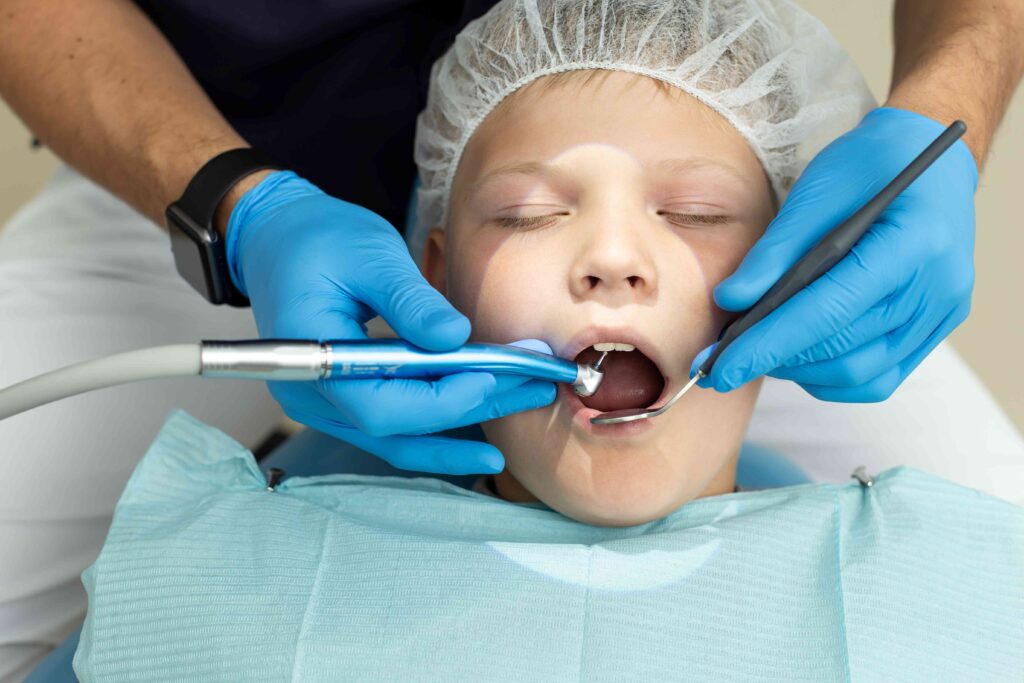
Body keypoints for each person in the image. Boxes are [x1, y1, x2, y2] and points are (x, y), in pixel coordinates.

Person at [3, 0, 1024, 678]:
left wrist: (950, 125)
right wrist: (239, 210)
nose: (611, 256)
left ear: (798, 263)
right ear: (438, 273)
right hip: (206, 159)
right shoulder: (210, 590)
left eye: (696, 211)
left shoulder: (943, 584)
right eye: (534, 213)